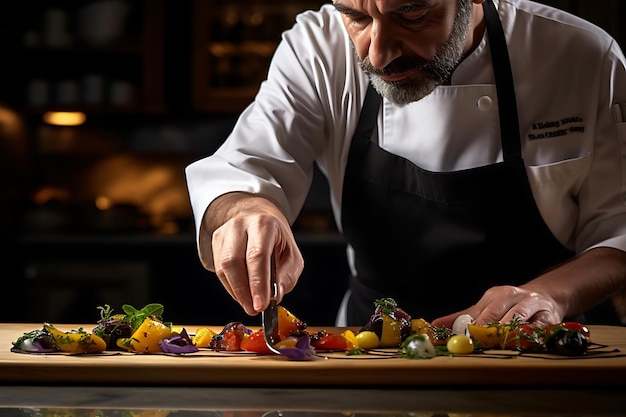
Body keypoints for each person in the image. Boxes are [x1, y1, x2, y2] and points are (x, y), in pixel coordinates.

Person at [186, 0, 626, 328]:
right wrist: (248, 210)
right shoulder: (317, 48)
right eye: (357, 18)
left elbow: (619, 229)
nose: (377, 55)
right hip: (374, 353)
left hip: (535, 352)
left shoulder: (580, 57)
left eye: (412, 16)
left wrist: (550, 293)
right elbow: (245, 167)